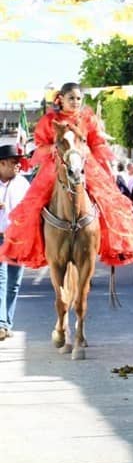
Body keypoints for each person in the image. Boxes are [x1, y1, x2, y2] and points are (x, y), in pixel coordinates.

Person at [0, 82, 133, 269]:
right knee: (36, 204)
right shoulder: (49, 120)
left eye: (78, 98)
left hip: (85, 163)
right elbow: (40, 145)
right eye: (71, 98)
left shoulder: (88, 119)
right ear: (61, 99)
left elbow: (97, 143)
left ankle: (111, 244)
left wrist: (103, 166)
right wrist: (54, 147)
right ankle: (36, 246)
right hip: (56, 164)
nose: (75, 102)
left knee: (106, 201)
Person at [0, 145, 30, 341]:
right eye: (13, 162)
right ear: (1, 164)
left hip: (18, 239)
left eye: (18, 162)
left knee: (13, 284)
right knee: (1, 281)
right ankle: (1, 323)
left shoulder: (24, 185)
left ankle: (7, 323)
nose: (18, 165)